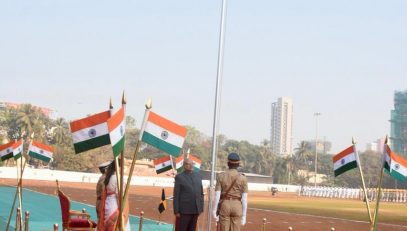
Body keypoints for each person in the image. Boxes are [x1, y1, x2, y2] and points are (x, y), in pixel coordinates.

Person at [212, 152, 248, 231]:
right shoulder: (243, 178)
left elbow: (217, 195)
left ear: (228, 163)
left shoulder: (221, 176)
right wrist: (244, 216)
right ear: (238, 165)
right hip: (237, 205)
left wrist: (214, 210)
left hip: (225, 205)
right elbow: (245, 199)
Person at [97, 160, 130, 231]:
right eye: (124, 167)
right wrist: (122, 210)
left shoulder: (108, 177)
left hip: (108, 205)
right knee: (118, 227)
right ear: (119, 167)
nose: (125, 170)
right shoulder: (117, 179)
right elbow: (119, 196)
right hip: (115, 206)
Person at [173, 158, 204, 231]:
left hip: (195, 210)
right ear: (184, 165)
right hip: (184, 211)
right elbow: (176, 195)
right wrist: (176, 211)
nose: (190, 165)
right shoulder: (179, 177)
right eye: (188, 164)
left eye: (191, 164)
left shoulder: (198, 176)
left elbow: (201, 193)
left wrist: (201, 207)